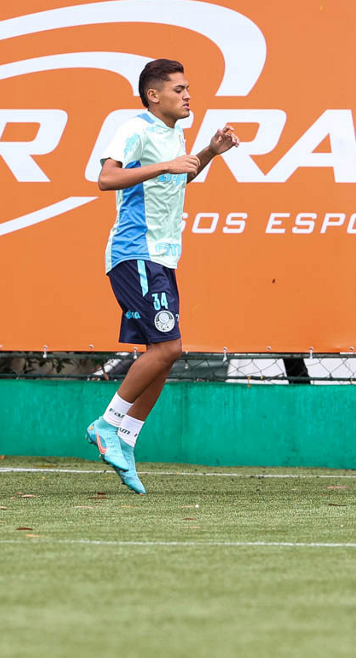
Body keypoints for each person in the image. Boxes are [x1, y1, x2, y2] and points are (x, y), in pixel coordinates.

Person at [87, 58, 238, 494]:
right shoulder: (134, 128)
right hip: (135, 254)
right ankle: (107, 425)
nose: (188, 96)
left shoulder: (174, 133)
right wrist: (163, 166)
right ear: (153, 96)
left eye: (188, 88)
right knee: (169, 347)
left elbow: (178, 178)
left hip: (162, 258)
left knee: (163, 354)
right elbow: (106, 178)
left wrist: (209, 152)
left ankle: (126, 438)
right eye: (178, 89)